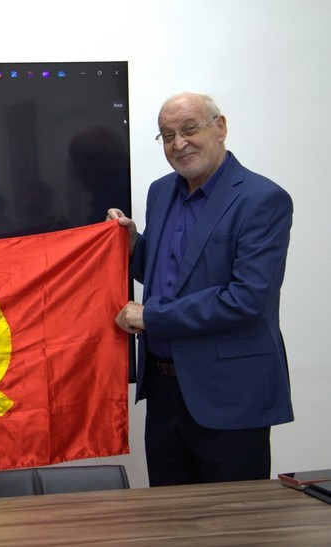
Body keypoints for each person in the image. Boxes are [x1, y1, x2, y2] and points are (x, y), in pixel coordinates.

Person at [107, 93, 293, 486]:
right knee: (170, 521)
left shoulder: (263, 200)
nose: (179, 144)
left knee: (233, 522)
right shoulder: (161, 191)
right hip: (162, 393)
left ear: (220, 127)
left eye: (189, 129)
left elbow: (247, 299)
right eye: (167, 135)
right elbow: (166, 274)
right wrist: (132, 246)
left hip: (230, 394)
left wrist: (151, 316)